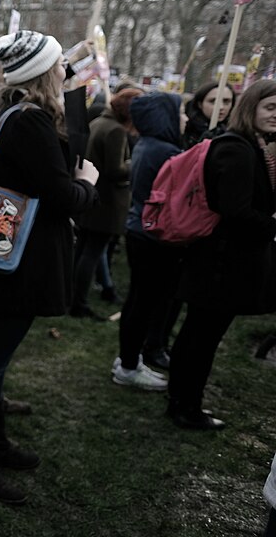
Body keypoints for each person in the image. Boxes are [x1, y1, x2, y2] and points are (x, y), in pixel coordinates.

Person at [0, 30, 99, 505]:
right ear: (42, 73)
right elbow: (62, 198)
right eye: (59, 65)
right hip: (15, 265)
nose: (65, 73)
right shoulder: (31, 122)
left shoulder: (9, 111)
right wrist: (87, 183)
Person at [170, 79, 276, 429]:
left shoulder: (251, 146)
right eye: (270, 108)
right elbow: (236, 212)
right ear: (251, 108)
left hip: (222, 261)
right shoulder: (238, 149)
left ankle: (183, 402)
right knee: (201, 338)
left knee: (199, 335)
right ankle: (186, 407)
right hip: (220, 264)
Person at [112, 92, 187, 391]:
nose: (183, 119)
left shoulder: (148, 144)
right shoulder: (164, 150)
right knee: (143, 304)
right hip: (153, 236)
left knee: (137, 301)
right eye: (178, 113)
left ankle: (129, 360)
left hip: (139, 231)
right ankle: (129, 366)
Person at [70, 88, 141, 319]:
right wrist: (133, 164)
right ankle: (78, 303)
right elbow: (115, 170)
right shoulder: (116, 131)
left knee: (83, 250)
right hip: (106, 201)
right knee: (91, 252)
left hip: (92, 195)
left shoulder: (100, 122)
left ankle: (72, 297)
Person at [182, 82, 235, 149]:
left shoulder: (235, 131)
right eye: (213, 101)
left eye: (226, 101)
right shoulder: (185, 127)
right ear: (200, 104)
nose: (221, 107)